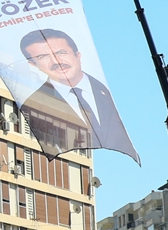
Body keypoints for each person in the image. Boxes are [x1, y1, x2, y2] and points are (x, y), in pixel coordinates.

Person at [18, 29, 135, 160]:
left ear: (78, 55)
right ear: (33, 64)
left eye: (61, 52)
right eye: (43, 57)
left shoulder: (112, 87)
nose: (56, 61)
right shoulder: (34, 105)